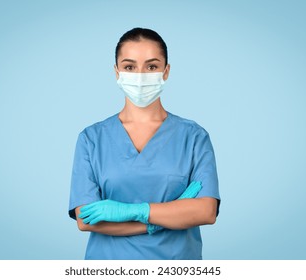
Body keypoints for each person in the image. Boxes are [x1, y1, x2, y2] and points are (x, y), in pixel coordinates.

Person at [68, 27, 220, 260]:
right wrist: (162, 219)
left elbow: (206, 211)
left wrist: (134, 212)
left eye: (151, 66)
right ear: (117, 72)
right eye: (129, 67)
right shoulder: (91, 139)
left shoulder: (194, 137)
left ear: (166, 71)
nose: (140, 76)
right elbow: (86, 219)